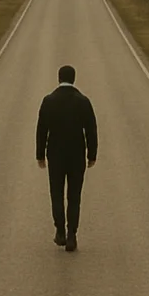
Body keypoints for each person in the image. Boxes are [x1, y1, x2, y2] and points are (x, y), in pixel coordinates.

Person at [36, 64, 97, 252]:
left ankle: (60, 231)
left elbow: (41, 129)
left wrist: (40, 154)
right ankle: (72, 235)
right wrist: (92, 154)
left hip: (55, 155)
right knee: (74, 196)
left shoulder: (48, 101)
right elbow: (91, 130)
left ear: (59, 78)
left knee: (56, 194)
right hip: (77, 155)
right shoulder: (83, 101)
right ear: (74, 79)